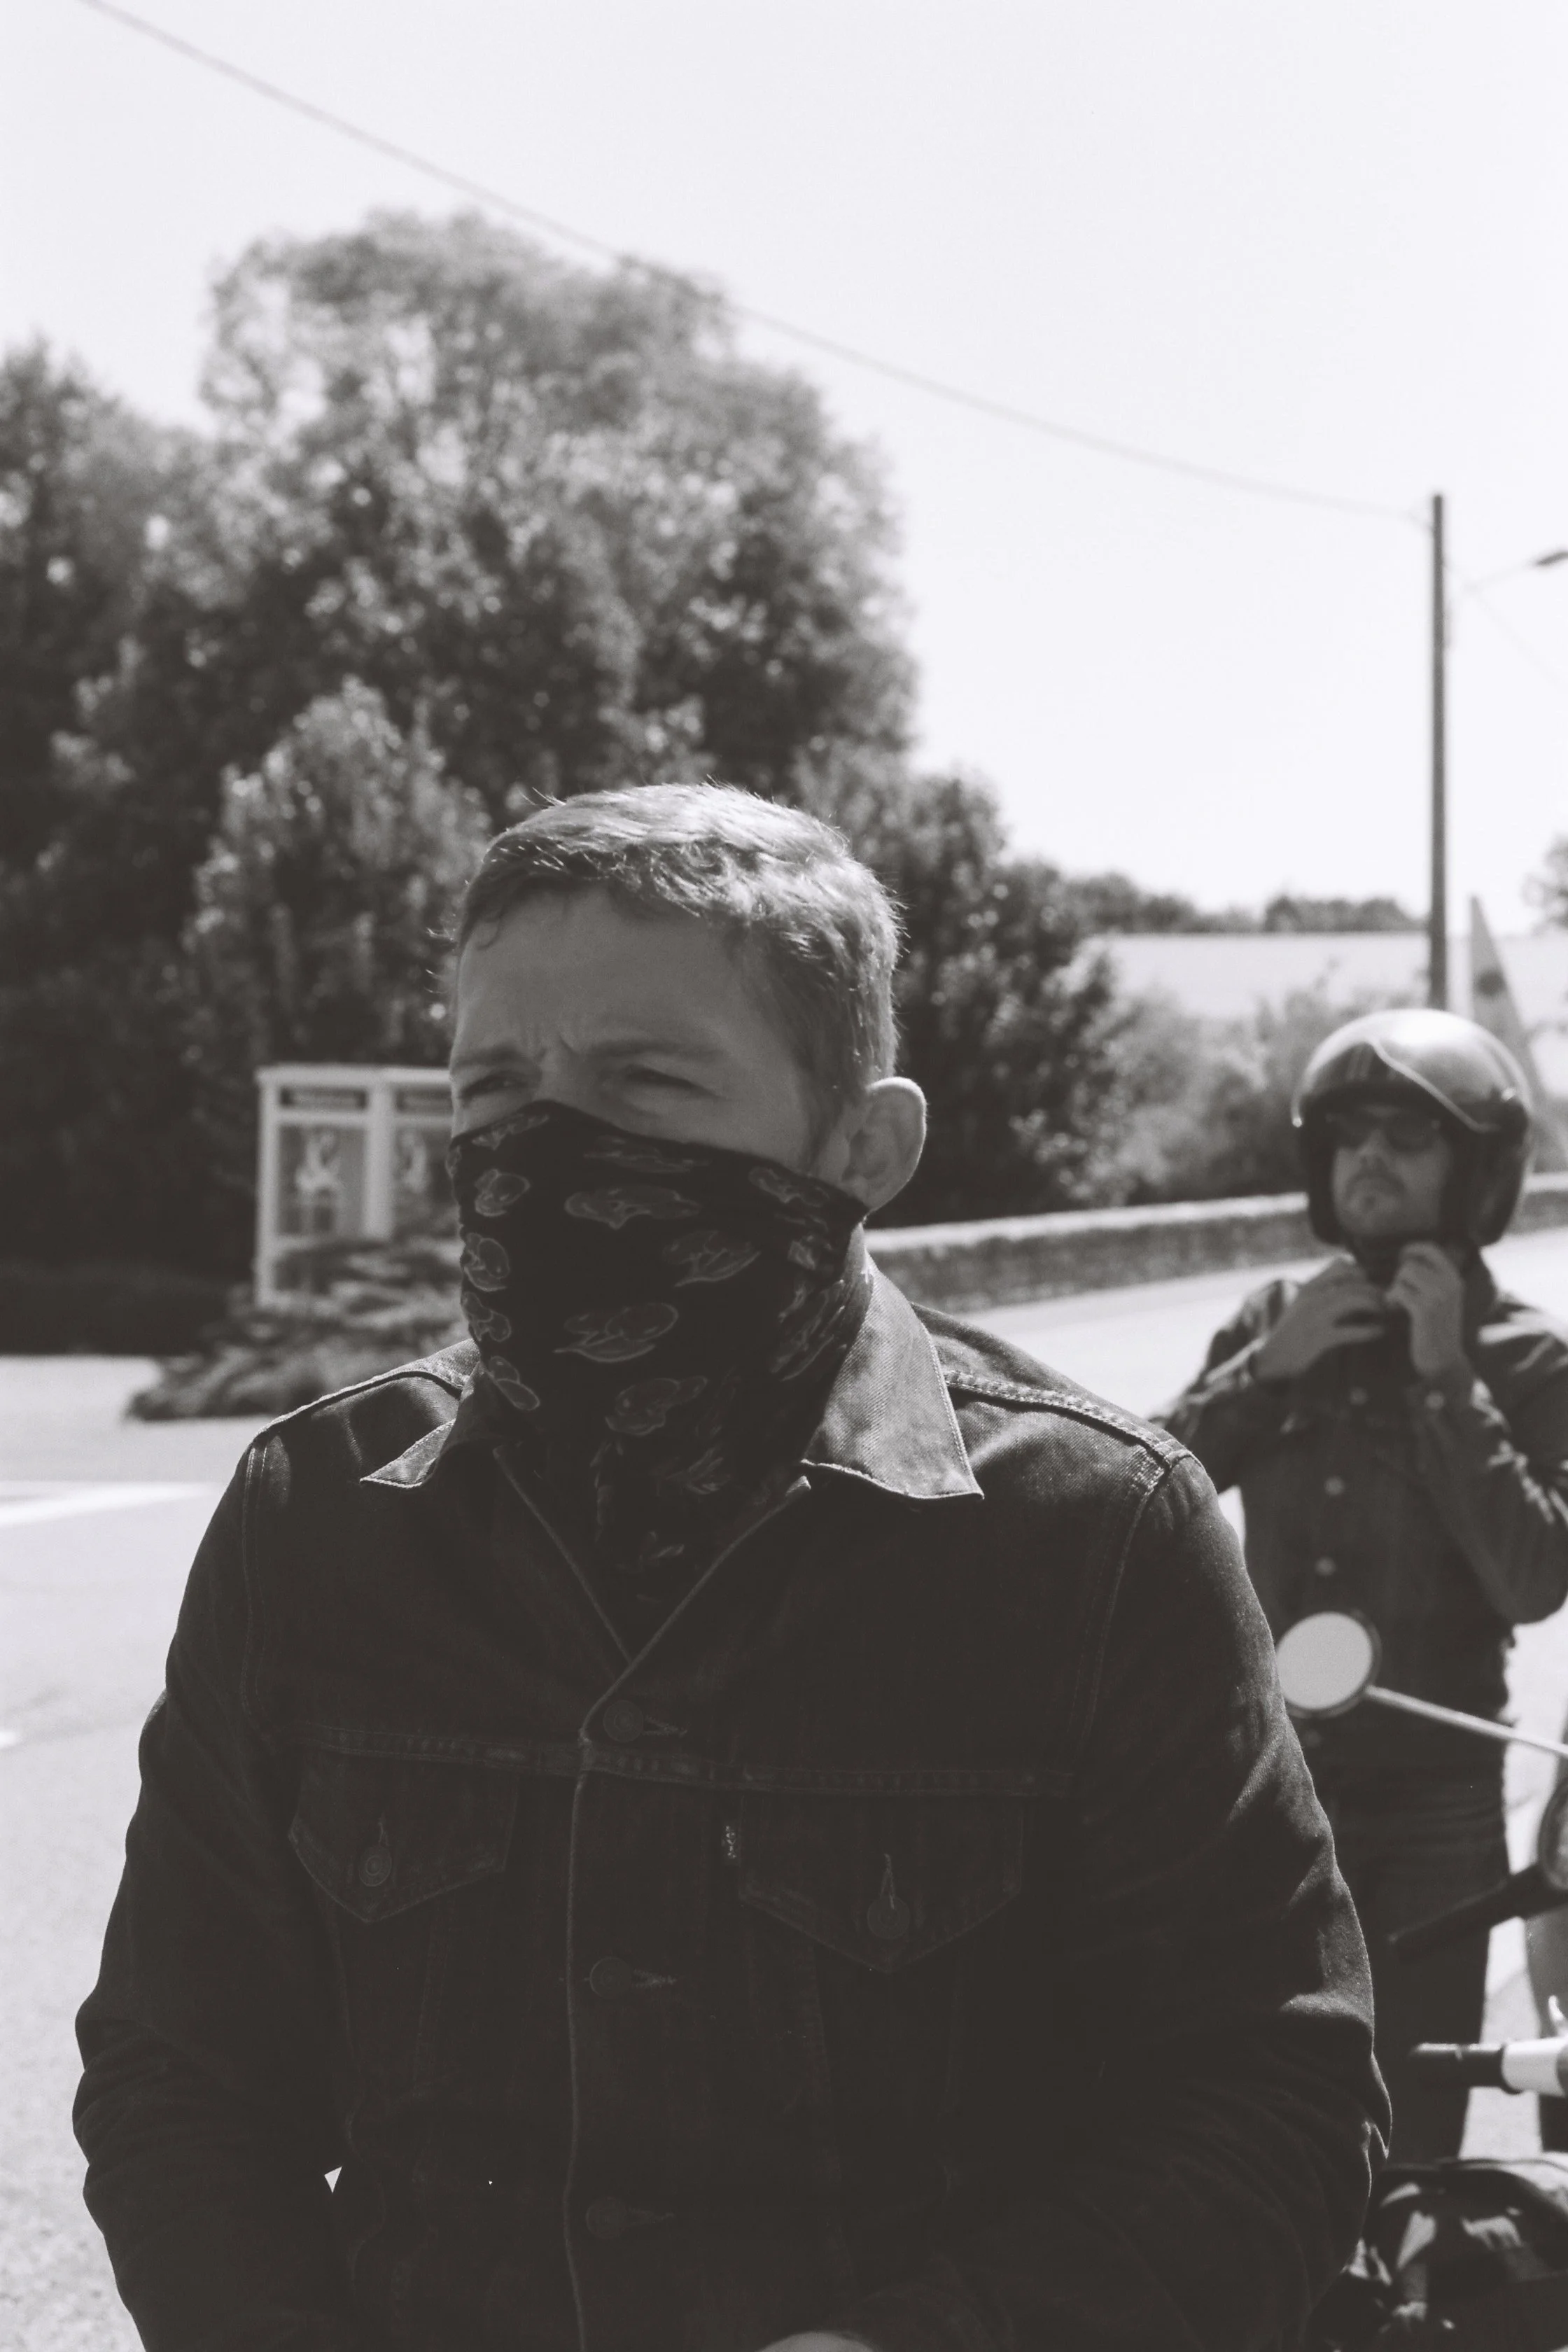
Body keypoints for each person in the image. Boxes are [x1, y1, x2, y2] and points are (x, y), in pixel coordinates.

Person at [76, 784, 1385, 2352]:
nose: (546, 1145)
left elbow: (1274, 2103)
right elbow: (180, 2079)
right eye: (495, 1086)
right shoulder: (320, 1513)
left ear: (864, 1145)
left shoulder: (1094, 1536)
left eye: (646, 1081)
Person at [1163, 1007, 1568, 2162]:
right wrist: (1266, 1370)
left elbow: (1535, 1579)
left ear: (1477, 1169)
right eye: (1349, 1137)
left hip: (1441, 1801)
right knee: (1253, 2106)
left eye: (1407, 1134)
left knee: (1413, 2116)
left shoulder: (1531, 1357)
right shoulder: (1274, 1322)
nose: (1370, 1158)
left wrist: (1447, 1382)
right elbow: (1138, 1499)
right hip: (1270, 1780)